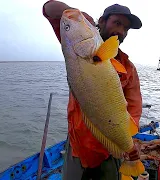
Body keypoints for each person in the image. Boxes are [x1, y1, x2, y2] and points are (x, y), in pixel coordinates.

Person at [42, 1, 143, 179]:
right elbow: (49, 8)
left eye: (126, 29)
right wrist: (80, 16)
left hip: (109, 150)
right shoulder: (76, 41)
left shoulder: (128, 68)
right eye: (117, 23)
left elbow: (134, 106)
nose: (121, 32)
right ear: (102, 21)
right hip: (78, 145)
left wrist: (130, 143)